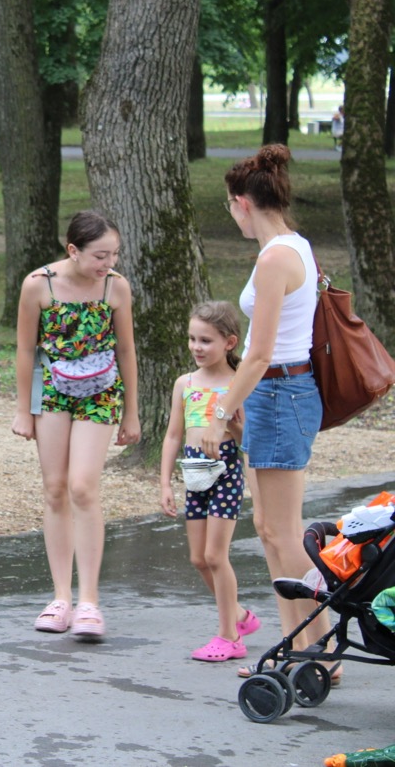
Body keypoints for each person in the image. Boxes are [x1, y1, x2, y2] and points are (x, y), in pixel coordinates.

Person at [204, 145, 330, 680]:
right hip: (272, 395)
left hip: (280, 393)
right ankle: (295, 643)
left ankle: (323, 646)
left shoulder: (277, 255)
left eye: (230, 208)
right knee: (269, 528)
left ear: (242, 204)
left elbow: (258, 351)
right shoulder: (292, 246)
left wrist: (220, 410)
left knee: (282, 532)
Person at [12, 210, 140, 640]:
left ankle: (89, 601)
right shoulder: (38, 285)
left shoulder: (116, 287)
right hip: (52, 390)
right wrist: (22, 409)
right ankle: (60, 597)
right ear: (73, 250)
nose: (108, 262)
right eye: (100, 255)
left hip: (101, 391)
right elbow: (25, 351)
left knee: (83, 486)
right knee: (54, 488)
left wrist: (132, 412)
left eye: (114, 254)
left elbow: (127, 350)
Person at [159, 301, 261, 662]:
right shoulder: (184, 384)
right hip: (194, 472)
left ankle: (229, 636)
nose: (197, 347)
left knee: (216, 556)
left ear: (229, 342)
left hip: (227, 472)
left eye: (206, 340)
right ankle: (238, 615)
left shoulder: (238, 383)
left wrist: (231, 425)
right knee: (199, 558)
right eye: (192, 339)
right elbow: (173, 435)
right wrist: (165, 483)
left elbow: (247, 435)